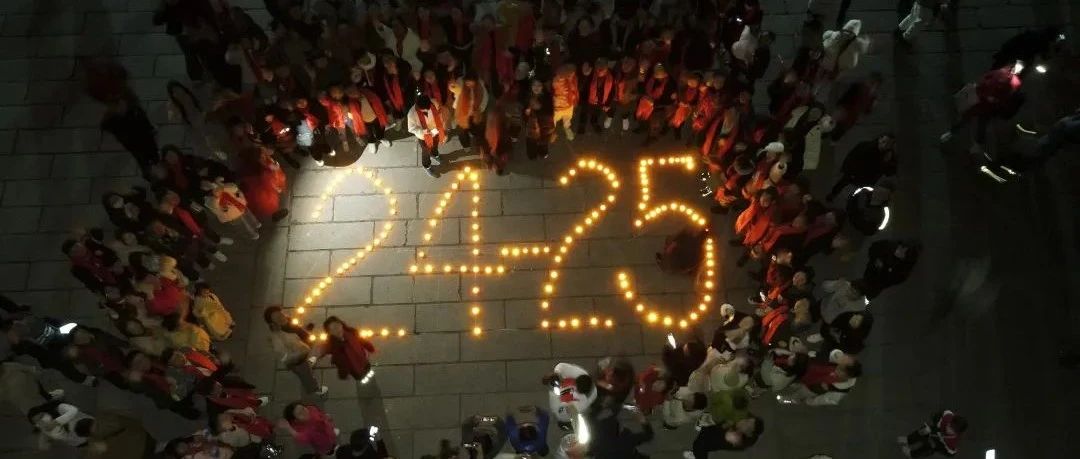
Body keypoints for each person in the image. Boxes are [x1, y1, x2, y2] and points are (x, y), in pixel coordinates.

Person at [826, 134, 897, 201]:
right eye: (884, 142)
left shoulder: (887, 155)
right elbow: (852, 158)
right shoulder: (867, 147)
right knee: (844, 182)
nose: (885, 145)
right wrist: (848, 170)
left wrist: (887, 162)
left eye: (889, 144)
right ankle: (833, 194)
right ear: (880, 139)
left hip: (867, 179)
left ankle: (855, 202)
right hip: (855, 173)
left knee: (862, 192)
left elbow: (887, 171)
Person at [314, 316, 376, 381]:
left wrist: (370, 347)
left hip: (365, 364)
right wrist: (343, 372)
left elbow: (361, 341)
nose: (336, 330)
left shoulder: (352, 333)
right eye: (332, 330)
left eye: (336, 326)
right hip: (355, 372)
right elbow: (339, 361)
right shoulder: (333, 346)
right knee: (364, 382)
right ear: (330, 333)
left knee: (371, 379)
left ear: (341, 324)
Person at [543, 362, 597, 429]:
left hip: (568, 412)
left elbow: (570, 410)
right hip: (565, 408)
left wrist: (553, 390)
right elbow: (560, 367)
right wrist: (556, 374)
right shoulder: (578, 374)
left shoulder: (586, 401)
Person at [685, 415, 764, 458]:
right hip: (715, 433)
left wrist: (717, 424)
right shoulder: (740, 424)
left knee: (700, 445)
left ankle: (696, 454)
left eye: (748, 426)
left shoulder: (736, 439)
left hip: (714, 440)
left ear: (749, 433)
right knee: (705, 434)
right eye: (747, 420)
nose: (744, 422)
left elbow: (721, 434)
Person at [407, 95, 447, 177]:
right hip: (424, 137)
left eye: (428, 108)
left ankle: (435, 154)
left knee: (435, 145)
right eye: (424, 110)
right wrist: (423, 131)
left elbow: (440, 113)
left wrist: (441, 124)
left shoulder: (434, 103)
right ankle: (427, 165)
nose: (427, 110)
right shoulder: (411, 114)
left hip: (435, 131)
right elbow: (411, 128)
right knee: (426, 151)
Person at [898, 410, 967, 457]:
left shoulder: (953, 442)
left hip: (939, 443)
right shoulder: (947, 417)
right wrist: (931, 428)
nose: (947, 428)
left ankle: (912, 454)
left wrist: (936, 446)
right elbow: (938, 416)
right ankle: (908, 439)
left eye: (951, 429)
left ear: (956, 433)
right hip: (937, 431)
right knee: (922, 431)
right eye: (949, 425)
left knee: (928, 447)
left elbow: (950, 453)